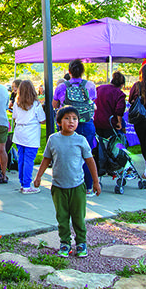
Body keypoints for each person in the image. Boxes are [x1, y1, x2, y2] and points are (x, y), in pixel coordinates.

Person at [32, 106, 101, 258]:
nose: (71, 121)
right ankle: (65, 243)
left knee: (78, 217)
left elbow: (90, 161)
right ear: (59, 122)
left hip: (77, 186)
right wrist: (38, 177)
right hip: (58, 187)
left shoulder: (80, 140)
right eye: (67, 118)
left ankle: (81, 243)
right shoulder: (53, 139)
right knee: (62, 217)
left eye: (74, 119)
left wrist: (96, 182)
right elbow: (46, 159)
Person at [52, 59, 97, 195]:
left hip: (67, 125)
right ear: (82, 71)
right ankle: (88, 187)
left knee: (67, 156)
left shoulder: (61, 87)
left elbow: (55, 105)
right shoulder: (90, 85)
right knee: (87, 156)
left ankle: (68, 186)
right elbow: (92, 102)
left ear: (69, 72)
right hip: (86, 123)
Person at [12, 80, 44, 194]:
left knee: (22, 158)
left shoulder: (17, 103)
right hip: (31, 133)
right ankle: (26, 185)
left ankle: (22, 182)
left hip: (19, 132)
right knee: (29, 160)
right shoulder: (36, 104)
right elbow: (42, 120)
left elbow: (15, 117)